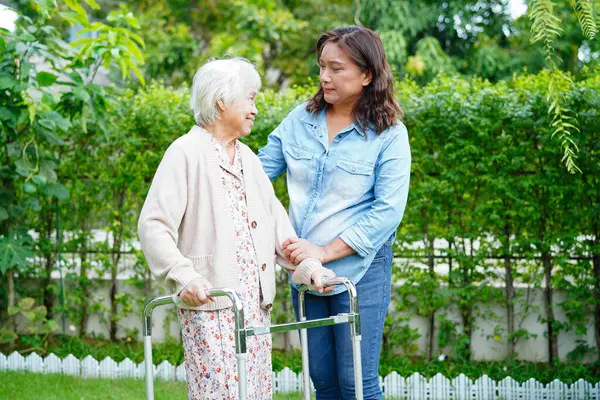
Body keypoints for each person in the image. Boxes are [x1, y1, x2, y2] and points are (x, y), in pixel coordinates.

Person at [137, 58, 334, 400]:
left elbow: (280, 232)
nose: (255, 109)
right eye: (251, 98)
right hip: (211, 307)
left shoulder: (250, 161)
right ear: (222, 101)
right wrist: (183, 275)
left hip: (254, 312)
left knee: (254, 394)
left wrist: (308, 267)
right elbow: (153, 225)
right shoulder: (185, 152)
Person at [258, 26, 411, 399]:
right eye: (322, 66)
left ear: (367, 74)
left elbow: (388, 211)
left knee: (356, 380)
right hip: (307, 273)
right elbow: (257, 174)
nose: (325, 76)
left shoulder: (389, 135)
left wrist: (324, 252)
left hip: (360, 270)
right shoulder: (299, 120)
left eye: (337, 68)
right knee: (322, 380)